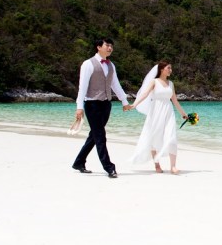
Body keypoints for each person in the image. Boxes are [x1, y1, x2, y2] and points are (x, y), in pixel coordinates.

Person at [71, 37, 131, 178]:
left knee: (95, 135)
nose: (110, 48)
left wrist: (124, 101)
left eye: (111, 46)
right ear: (98, 47)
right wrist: (79, 107)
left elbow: (115, 84)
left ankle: (79, 162)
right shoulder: (88, 64)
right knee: (100, 136)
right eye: (107, 45)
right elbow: (82, 87)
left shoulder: (111, 65)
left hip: (106, 104)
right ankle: (109, 167)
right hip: (92, 104)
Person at [129, 60, 189, 174]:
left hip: (168, 111)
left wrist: (183, 113)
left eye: (171, 68)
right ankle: (157, 165)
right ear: (162, 69)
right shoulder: (154, 82)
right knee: (154, 137)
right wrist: (134, 104)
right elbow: (145, 94)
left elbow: (175, 100)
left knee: (171, 136)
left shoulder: (171, 84)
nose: (170, 70)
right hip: (156, 111)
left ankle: (173, 166)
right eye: (169, 68)